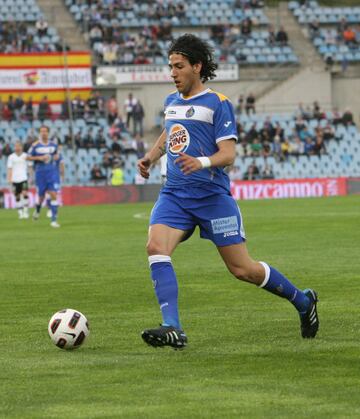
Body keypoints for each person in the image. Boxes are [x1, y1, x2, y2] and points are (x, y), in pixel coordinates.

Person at [137, 34, 319, 350]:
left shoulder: (218, 104)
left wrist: (202, 161)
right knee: (156, 246)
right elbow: (171, 133)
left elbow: (228, 154)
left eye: (179, 66)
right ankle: (173, 328)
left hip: (212, 199)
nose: (173, 73)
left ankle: (303, 301)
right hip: (176, 196)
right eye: (171, 67)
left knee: (242, 269)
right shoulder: (172, 102)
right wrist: (151, 157)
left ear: (197, 66)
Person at [27, 125, 61, 228]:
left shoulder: (53, 145)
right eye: (42, 131)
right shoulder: (35, 145)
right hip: (40, 173)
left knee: (53, 194)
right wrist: (39, 158)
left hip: (51, 172)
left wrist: (55, 157)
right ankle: (37, 210)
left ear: (48, 132)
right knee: (41, 197)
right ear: (39, 133)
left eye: (45, 131)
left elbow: (56, 156)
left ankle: (54, 220)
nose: (43, 133)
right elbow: (27, 157)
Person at [7, 141, 29, 219]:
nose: (17, 148)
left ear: (21, 147)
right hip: (14, 179)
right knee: (17, 196)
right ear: (14, 147)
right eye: (16, 146)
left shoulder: (25, 156)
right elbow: (9, 168)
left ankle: (26, 211)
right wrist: (9, 178)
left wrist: (31, 176)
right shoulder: (11, 157)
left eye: (19, 146)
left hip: (24, 178)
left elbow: (29, 166)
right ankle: (20, 212)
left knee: (25, 193)